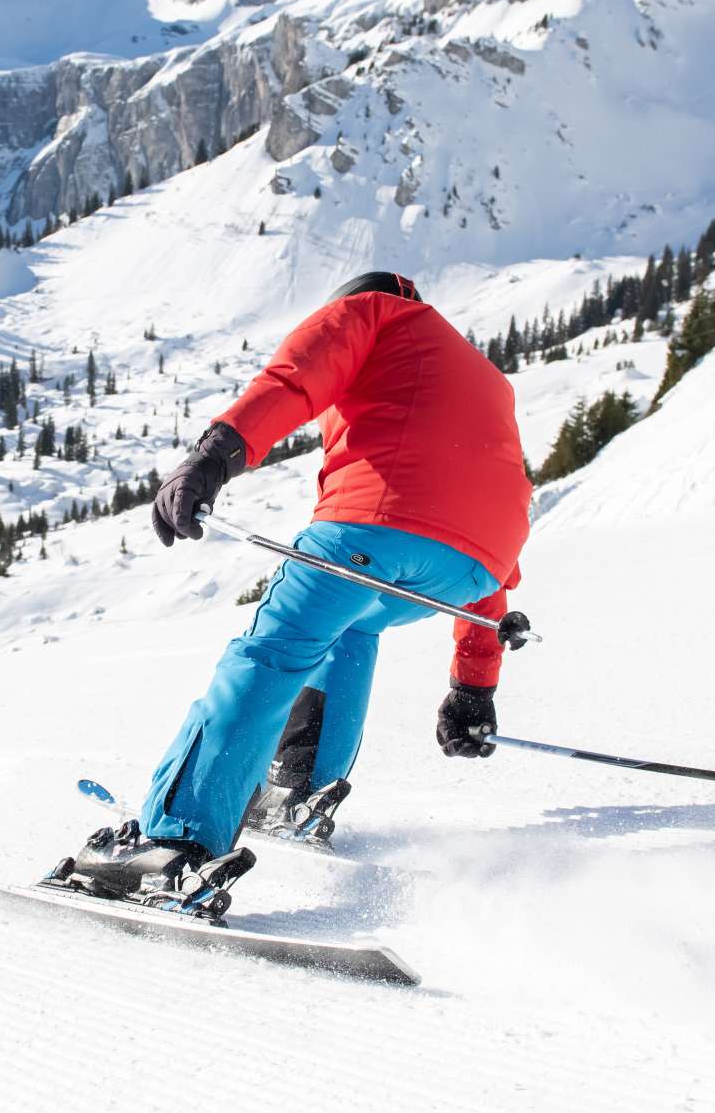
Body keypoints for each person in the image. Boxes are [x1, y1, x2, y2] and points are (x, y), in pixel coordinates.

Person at [49, 272, 533, 917]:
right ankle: (300, 789)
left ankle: (173, 847)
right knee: (352, 625)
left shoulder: (372, 313)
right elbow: (475, 498)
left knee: (272, 654)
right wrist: (474, 687)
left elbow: (295, 380)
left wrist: (213, 457)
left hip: (373, 530)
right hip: (476, 571)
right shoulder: (482, 378)